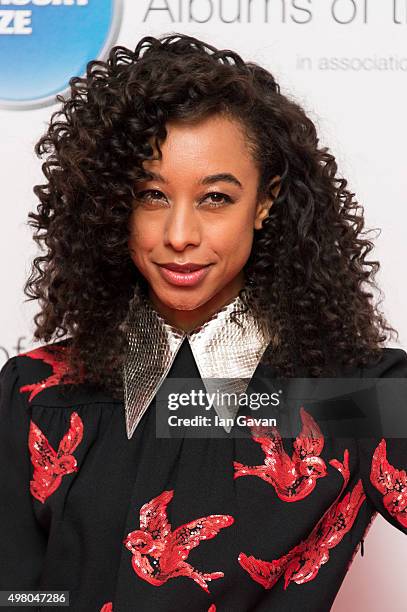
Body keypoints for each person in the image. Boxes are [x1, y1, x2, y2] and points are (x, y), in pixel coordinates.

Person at [0, 32, 406, 612]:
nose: (180, 236)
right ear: (113, 203)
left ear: (265, 202)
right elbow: (17, 594)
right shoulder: (37, 393)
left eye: (215, 198)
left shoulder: (355, 396)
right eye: (151, 196)